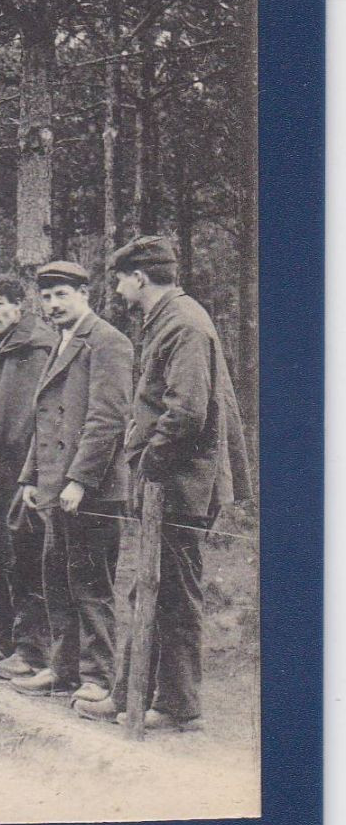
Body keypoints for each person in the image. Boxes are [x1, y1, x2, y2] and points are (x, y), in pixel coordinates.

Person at [77, 236, 253, 729]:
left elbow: (187, 412)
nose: (116, 286)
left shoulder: (184, 323)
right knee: (152, 589)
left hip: (178, 482)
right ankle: (134, 696)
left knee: (171, 593)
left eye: (120, 277)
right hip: (169, 480)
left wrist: (150, 461)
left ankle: (176, 706)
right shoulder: (167, 320)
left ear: (140, 278)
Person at [4, 262, 135, 697]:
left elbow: (107, 418)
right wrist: (29, 477)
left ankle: (98, 676)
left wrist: (79, 479)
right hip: (56, 488)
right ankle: (64, 670)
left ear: (85, 294)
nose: (54, 304)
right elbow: (44, 423)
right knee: (56, 578)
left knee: (90, 583)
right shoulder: (61, 344)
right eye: (47, 296)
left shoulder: (107, 341)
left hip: (92, 490)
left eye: (62, 294)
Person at [0, 274, 58, 681]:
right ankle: (1, 639)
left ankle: (31, 651)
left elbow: (30, 422)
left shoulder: (33, 349)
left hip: (21, 475)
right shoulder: (2, 350)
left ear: (20, 306)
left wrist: (29, 477)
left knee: (24, 559)